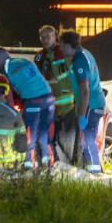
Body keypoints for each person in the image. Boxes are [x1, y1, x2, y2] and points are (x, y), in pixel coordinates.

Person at [0, 43, 56, 169]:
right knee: (44, 135)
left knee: (29, 135)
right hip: (49, 99)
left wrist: (12, 115)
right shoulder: (25, 60)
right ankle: (48, 165)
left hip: (33, 101)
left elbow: (9, 96)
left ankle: (29, 165)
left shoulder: (5, 69)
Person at [59, 31, 107, 174]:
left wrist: (81, 114)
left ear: (68, 45)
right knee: (87, 140)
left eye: (61, 45)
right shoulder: (84, 54)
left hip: (90, 106)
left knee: (87, 141)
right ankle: (93, 171)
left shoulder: (79, 60)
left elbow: (85, 90)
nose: (60, 48)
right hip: (94, 104)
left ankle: (94, 174)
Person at [35, 25, 79, 165]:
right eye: (42, 37)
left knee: (67, 142)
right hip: (49, 108)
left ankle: (68, 170)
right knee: (50, 142)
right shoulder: (39, 57)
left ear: (55, 36)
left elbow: (73, 75)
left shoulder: (64, 53)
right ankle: (55, 168)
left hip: (67, 107)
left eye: (48, 36)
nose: (45, 40)